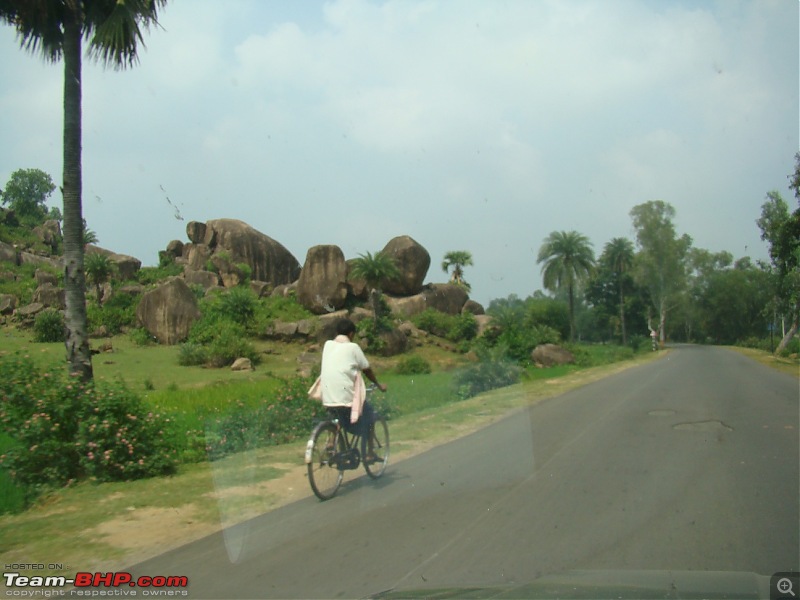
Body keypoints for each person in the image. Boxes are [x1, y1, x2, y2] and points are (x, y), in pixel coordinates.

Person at [319, 318, 387, 461]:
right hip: (345, 397)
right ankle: (369, 453)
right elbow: (366, 369)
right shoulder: (353, 347)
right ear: (351, 334)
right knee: (369, 415)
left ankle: (332, 441)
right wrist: (378, 384)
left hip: (327, 397)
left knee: (337, 416)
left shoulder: (327, 345)